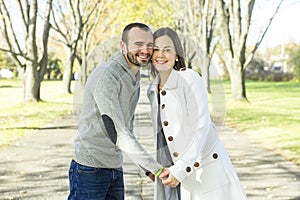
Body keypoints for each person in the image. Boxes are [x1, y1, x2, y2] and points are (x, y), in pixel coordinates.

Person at [147, 27, 248, 200]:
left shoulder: (189, 78)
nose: (161, 54)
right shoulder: (152, 89)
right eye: (156, 49)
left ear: (177, 54)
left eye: (167, 49)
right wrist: (154, 166)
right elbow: (162, 137)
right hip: (172, 175)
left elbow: (201, 127)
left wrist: (180, 170)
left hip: (203, 171)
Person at [68, 22, 165, 200]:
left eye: (149, 45)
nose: (145, 50)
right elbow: (117, 131)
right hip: (90, 168)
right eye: (138, 44)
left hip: (114, 166)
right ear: (123, 45)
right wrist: (155, 168)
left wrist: (145, 168)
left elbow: (127, 128)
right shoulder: (107, 75)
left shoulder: (133, 76)